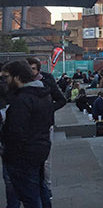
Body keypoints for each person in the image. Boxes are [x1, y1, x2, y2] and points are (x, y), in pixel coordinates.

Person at [1, 60, 53, 207]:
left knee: (30, 197)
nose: (5, 81)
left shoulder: (22, 100)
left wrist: (8, 154)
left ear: (17, 77)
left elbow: (16, 132)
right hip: (39, 149)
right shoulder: (43, 94)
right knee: (40, 190)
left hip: (23, 156)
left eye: (7, 77)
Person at [26, 57, 67, 196]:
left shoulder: (47, 79)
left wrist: (48, 109)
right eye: (28, 69)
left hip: (45, 125)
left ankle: (46, 189)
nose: (30, 72)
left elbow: (61, 100)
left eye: (33, 68)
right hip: (28, 126)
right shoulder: (21, 81)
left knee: (46, 160)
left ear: (38, 69)